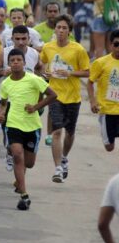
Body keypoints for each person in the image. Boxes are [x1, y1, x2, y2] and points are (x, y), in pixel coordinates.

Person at [0, 49, 57, 210]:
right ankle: (24, 195)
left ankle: (19, 180)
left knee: (29, 163)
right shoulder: (6, 83)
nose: (16, 62)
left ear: (24, 63)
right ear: (9, 64)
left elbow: (53, 95)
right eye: (12, 60)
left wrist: (36, 107)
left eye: (19, 60)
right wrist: (1, 114)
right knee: (17, 155)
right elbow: (3, 102)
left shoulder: (33, 80)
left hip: (32, 126)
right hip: (13, 124)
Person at [39, 15, 90, 182]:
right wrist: (44, 72)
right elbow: (41, 65)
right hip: (55, 95)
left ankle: (65, 157)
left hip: (73, 97)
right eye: (59, 27)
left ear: (69, 31)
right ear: (55, 29)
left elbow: (87, 72)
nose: (61, 31)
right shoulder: (48, 47)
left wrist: (71, 73)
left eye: (64, 28)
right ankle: (58, 168)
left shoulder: (78, 50)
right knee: (57, 132)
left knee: (69, 133)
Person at [88, 29, 119, 152]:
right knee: (109, 147)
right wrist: (93, 102)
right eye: (116, 44)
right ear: (111, 45)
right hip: (107, 110)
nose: (118, 48)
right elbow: (90, 83)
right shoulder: (101, 63)